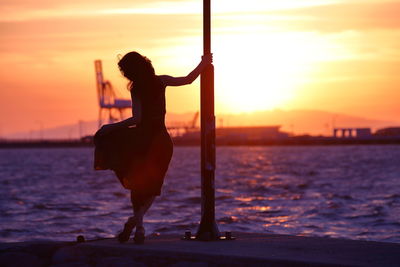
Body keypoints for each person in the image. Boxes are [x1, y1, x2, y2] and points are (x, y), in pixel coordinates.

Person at [94, 51, 212, 244]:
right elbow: (188, 80)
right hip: (162, 141)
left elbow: (137, 119)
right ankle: (136, 226)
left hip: (142, 141)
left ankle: (137, 225)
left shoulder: (137, 88)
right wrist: (204, 63)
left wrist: (110, 127)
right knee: (153, 185)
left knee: (137, 184)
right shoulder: (161, 81)